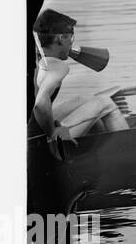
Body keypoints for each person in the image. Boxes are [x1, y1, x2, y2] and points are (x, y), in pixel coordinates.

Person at [32, 9, 128, 160]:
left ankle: (94, 152)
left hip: (31, 132)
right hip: (39, 141)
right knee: (105, 102)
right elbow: (39, 104)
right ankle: (130, 154)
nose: (72, 42)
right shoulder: (58, 67)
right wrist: (53, 132)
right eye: (71, 37)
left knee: (85, 99)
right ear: (61, 38)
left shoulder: (37, 57)